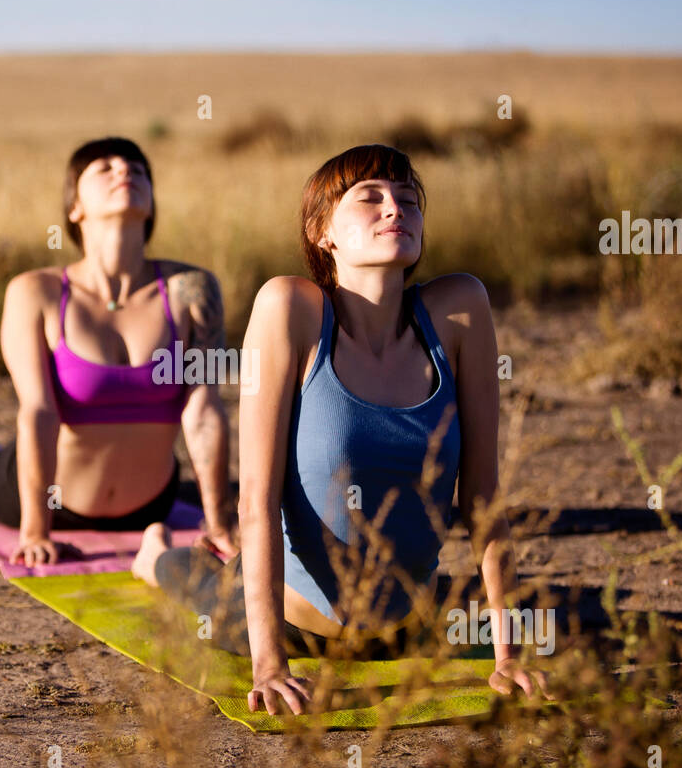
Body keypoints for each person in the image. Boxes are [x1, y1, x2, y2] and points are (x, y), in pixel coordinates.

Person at [130, 143, 552, 715]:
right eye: (370, 197)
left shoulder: (459, 311)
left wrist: (509, 655)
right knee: (198, 585)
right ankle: (155, 553)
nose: (394, 208)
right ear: (322, 231)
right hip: (288, 621)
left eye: (408, 200)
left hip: (403, 629)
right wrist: (269, 663)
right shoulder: (291, 308)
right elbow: (256, 498)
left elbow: (482, 497)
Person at [0, 137, 236, 567]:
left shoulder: (192, 287)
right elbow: (38, 411)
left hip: (151, 504)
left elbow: (204, 410)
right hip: (52, 503)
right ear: (74, 207)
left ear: (151, 204)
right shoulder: (35, 291)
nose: (124, 171)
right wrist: (36, 530)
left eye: (137, 169)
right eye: (105, 167)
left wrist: (220, 526)